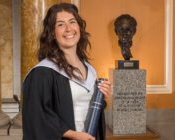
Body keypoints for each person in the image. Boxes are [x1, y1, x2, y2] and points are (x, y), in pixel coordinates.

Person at [22, 3, 111, 140]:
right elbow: (37, 116)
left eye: (72, 22)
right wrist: (74, 135)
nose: (69, 29)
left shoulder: (89, 69)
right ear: (52, 33)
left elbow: (86, 108)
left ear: (79, 27)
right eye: (60, 24)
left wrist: (101, 97)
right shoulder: (43, 72)